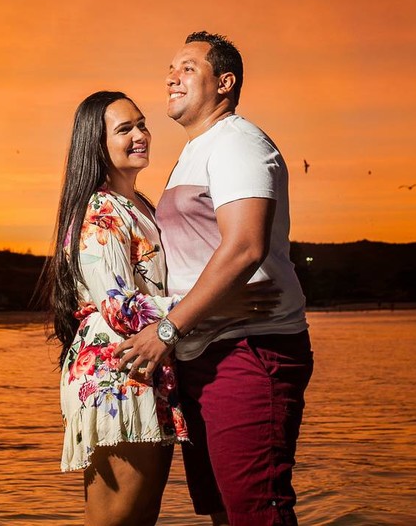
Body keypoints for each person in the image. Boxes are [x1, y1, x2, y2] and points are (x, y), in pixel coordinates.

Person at [46, 90, 273, 526]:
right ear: (96, 144)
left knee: (141, 517)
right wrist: (220, 301)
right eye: (124, 129)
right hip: (116, 374)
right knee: (119, 520)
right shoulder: (100, 210)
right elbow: (119, 309)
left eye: (142, 124)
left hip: (146, 370)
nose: (141, 135)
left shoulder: (141, 205)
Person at [116, 32, 313, 526]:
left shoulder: (240, 142)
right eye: (170, 68)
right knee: (223, 512)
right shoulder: (194, 152)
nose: (171, 77)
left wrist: (167, 329)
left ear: (225, 82)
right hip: (201, 351)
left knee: (257, 512)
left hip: (249, 351)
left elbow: (245, 246)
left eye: (187, 67)